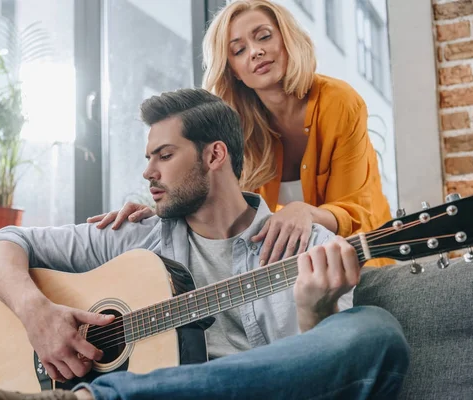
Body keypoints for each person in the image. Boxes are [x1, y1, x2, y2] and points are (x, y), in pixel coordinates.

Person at [0, 89, 408, 400]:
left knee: (377, 331)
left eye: (164, 156)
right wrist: (36, 312)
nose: (148, 173)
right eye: (149, 158)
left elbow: (326, 378)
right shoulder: (133, 238)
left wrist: (314, 312)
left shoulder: (312, 247)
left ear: (214, 155)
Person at [88, 0, 392, 267]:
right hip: (285, 275)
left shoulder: (338, 101)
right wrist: (161, 215)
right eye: (239, 50)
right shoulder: (234, 127)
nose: (256, 52)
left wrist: (305, 212)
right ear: (232, 68)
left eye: (264, 37)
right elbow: (221, 207)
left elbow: (355, 212)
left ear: (287, 40)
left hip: (364, 258)